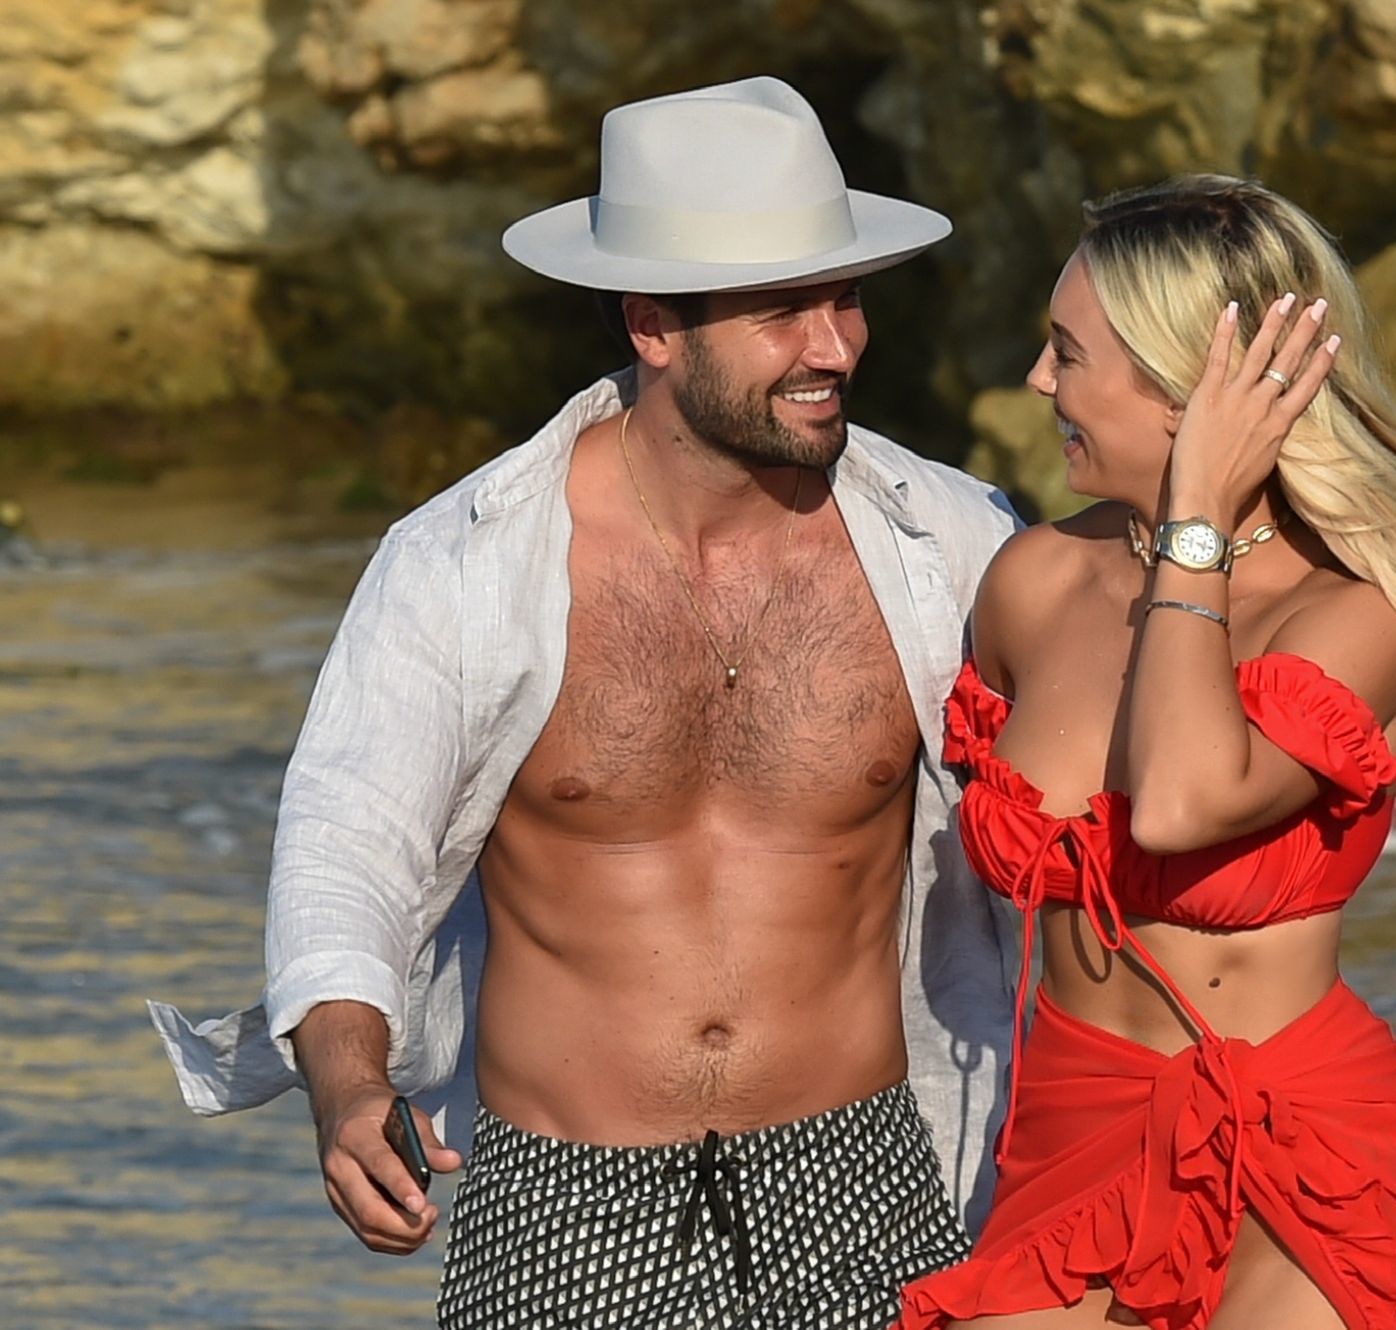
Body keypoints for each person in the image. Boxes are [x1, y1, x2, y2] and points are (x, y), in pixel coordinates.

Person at [149, 77, 1023, 1329]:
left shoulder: (951, 541)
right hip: (565, 1202)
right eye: (783, 312)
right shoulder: (462, 561)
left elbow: (1106, 815)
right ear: (653, 325)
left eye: (845, 298)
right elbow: (349, 846)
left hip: (861, 1181)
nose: (836, 347)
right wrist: (347, 1087)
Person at [895, 175, 1396, 1330]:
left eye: (1067, 352)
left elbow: (1178, 802)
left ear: (1190, 390)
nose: (1037, 382)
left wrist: (1197, 526)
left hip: (1302, 1150)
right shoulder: (1034, 582)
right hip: (1073, 1128)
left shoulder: (1351, 612)